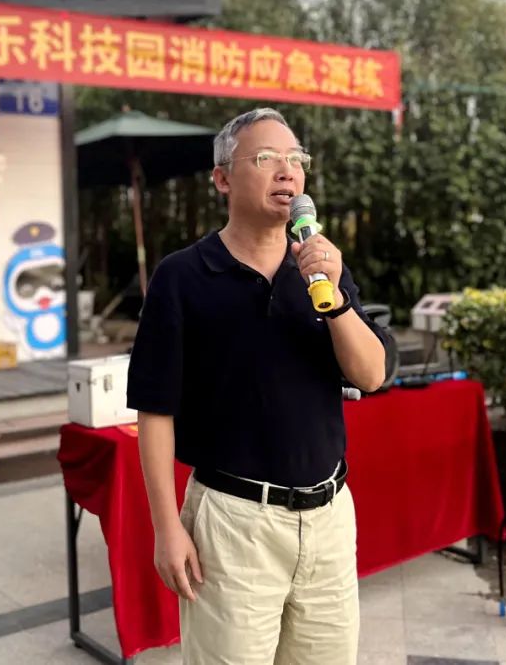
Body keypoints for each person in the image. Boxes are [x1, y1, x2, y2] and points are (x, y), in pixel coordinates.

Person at [127, 108, 394, 665]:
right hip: (233, 523)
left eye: (296, 159)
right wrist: (166, 528)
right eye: (266, 157)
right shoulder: (182, 276)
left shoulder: (323, 267)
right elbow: (154, 411)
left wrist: (333, 295)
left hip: (328, 518)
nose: (287, 171)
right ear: (222, 178)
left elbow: (371, 374)